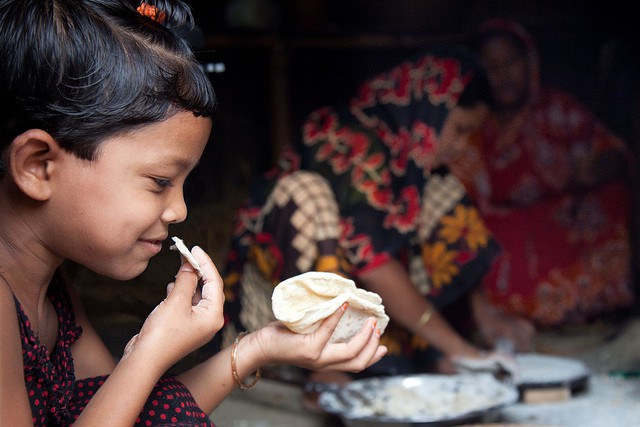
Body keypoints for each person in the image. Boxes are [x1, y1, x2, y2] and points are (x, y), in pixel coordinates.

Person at [0, 1, 387, 426]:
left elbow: (127, 413)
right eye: (160, 182)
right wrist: (148, 352)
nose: (180, 211)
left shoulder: (52, 288)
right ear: (38, 166)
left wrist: (260, 347)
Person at [220, 44, 522, 403]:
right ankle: (322, 366)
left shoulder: (407, 159)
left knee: (443, 189)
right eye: (457, 130)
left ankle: (424, 345)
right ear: (429, 111)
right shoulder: (347, 137)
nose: (459, 145)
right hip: (276, 301)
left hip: (354, 304)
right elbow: (373, 263)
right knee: (305, 193)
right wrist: (458, 348)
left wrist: (485, 319)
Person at [448, 19, 636, 338]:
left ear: (530, 62)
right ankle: (505, 318)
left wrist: (595, 168)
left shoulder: (558, 109)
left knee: (614, 197)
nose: (503, 74)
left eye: (510, 63)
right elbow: (457, 192)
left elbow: (618, 156)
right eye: (491, 67)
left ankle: (589, 311)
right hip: (498, 226)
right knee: (474, 232)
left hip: (559, 222)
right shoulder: (472, 122)